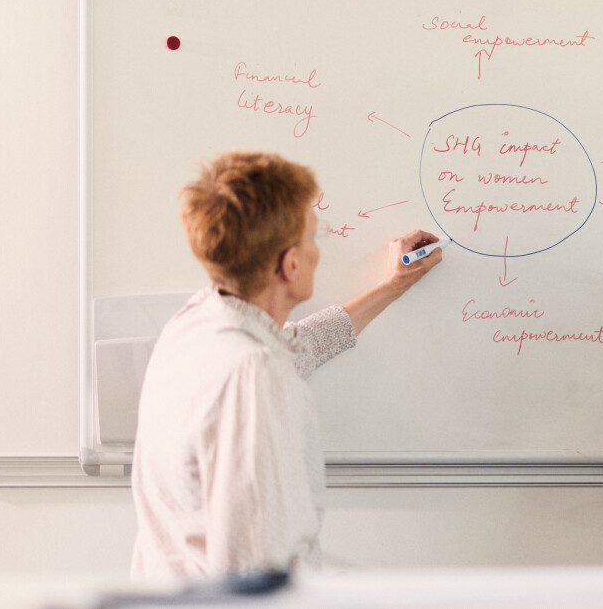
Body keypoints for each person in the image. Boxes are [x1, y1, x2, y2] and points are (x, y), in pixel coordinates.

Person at [130, 151, 443, 581]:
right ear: (290, 264)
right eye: (316, 237)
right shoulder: (252, 373)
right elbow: (255, 567)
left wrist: (392, 286)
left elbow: (298, 346)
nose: (319, 250)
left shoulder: (198, 324)